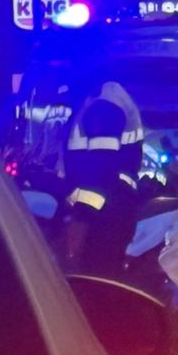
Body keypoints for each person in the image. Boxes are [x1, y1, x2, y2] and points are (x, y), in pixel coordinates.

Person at [61, 76, 145, 273]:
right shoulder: (108, 99)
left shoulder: (104, 108)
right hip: (115, 206)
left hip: (105, 213)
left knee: (94, 277)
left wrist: (81, 220)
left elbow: (100, 169)